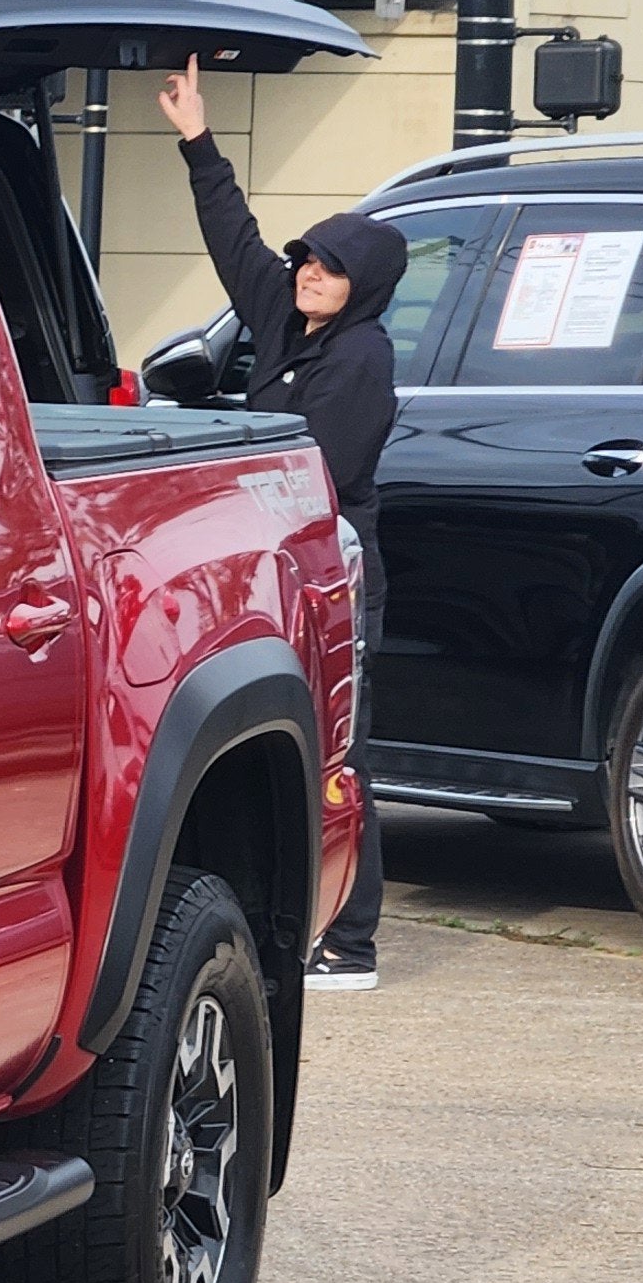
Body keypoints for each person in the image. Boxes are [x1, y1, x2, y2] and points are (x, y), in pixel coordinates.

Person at [158, 56, 407, 991]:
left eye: (331, 268)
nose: (308, 273)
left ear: (364, 285)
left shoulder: (360, 363)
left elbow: (322, 480)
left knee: (342, 759)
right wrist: (197, 141)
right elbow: (235, 238)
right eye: (308, 258)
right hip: (282, 579)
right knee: (297, 756)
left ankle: (353, 942)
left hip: (338, 582)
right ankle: (306, 923)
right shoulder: (286, 320)